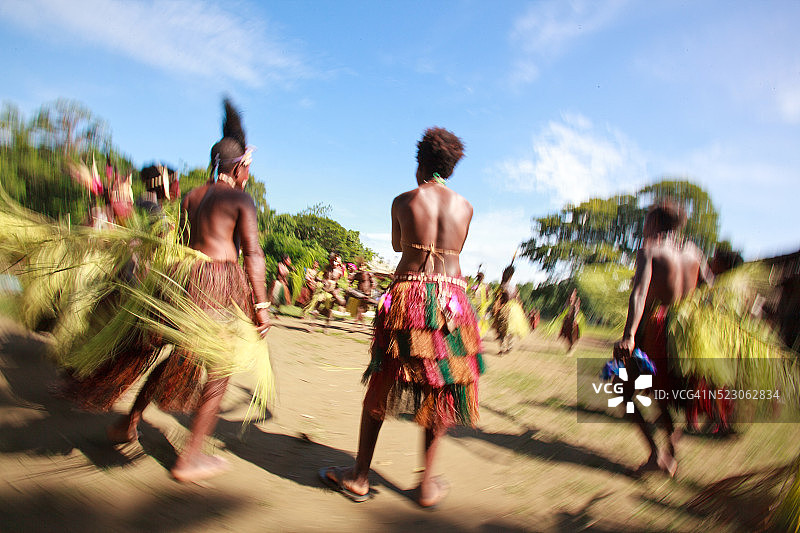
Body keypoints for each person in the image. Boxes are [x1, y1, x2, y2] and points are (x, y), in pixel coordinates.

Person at [104, 98, 272, 482]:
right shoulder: (241, 198)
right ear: (239, 167)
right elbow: (254, 254)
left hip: (187, 278)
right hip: (218, 282)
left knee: (176, 352)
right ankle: (190, 457)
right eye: (248, 166)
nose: (249, 172)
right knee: (220, 368)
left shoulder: (193, 195)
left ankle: (126, 424)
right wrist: (261, 305)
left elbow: (179, 240)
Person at [319, 127, 484, 508]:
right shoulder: (466, 207)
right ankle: (426, 485)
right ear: (452, 167)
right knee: (442, 385)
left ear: (420, 163)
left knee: (384, 376)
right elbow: (456, 247)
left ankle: (359, 476)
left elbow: (398, 245)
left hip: (410, 295)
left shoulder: (404, 200)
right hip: (452, 300)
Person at [613, 200, 713, 477]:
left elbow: (639, 293)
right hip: (687, 334)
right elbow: (711, 289)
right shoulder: (694, 251)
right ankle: (669, 455)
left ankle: (657, 455)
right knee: (663, 396)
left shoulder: (651, 249)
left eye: (646, 220)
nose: (643, 226)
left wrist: (629, 335)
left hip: (657, 331)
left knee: (622, 391)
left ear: (655, 222)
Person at [491, 264, 530, 354]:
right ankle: (509, 345)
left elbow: (498, 300)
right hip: (515, 310)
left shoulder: (502, 287)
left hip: (506, 309)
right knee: (511, 330)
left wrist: (496, 310)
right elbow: (518, 300)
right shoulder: (514, 287)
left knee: (501, 330)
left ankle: (502, 348)